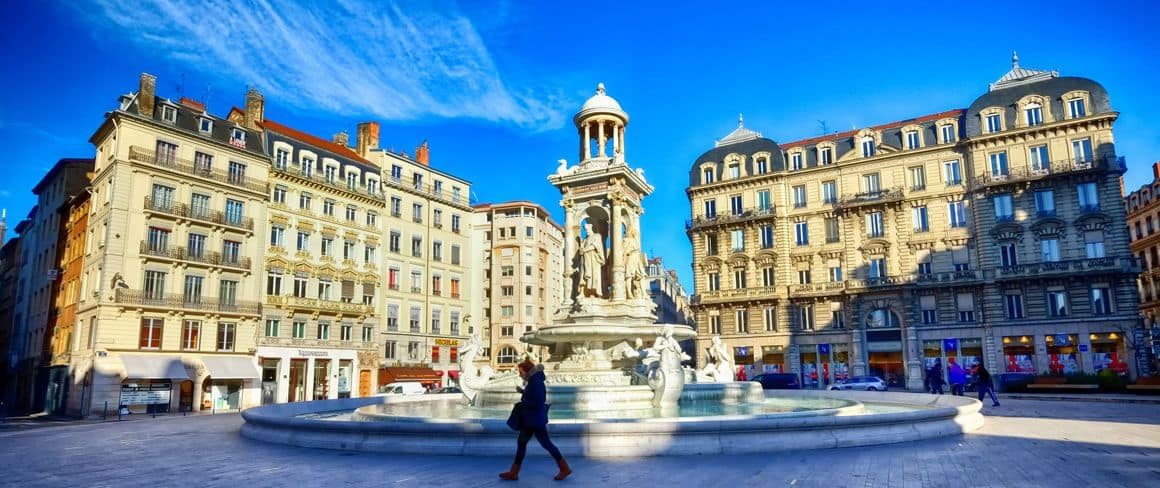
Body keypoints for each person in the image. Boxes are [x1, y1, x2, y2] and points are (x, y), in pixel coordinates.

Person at [499, 360, 571, 481]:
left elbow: (539, 400)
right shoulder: (533, 381)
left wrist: (524, 403)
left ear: (527, 371)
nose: (519, 374)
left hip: (535, 420)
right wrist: (523, 392)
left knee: (546, 444)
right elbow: (533, 396)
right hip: (531, 419)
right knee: (522, 443)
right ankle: (514, 472)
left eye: (520, 371)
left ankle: (565, 469)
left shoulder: (536, 382)